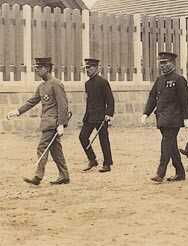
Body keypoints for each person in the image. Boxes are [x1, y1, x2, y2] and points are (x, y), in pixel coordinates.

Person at [7, 57, 71, 185]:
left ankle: (38, 176)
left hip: (53, 123)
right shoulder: (42, 86)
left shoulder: (56, 84)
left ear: (47, 68)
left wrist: (61, 124)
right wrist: (17, 111)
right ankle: (64, 175)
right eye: (36, 68)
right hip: (47, 122)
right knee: (56, 150)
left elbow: (63, 105)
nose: (37, 70)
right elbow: (32, 101)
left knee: (42, 147)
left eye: (39, 68)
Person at [141, 51, 188, 183]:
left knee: (166, 145)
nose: (162, 66)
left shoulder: (179, 80)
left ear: (173, 63)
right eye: (161, 63)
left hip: (174, 119)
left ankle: (160, 173)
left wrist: (187, 118)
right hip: (162, 118)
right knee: (171, 146)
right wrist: (146, 113)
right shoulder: (160, 80)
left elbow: (185, 100)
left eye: (165, 63)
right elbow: (152, 97)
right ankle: (180, 172)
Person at [79, 58, 115, 173]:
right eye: (86, 68)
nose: (87, 70)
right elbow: (89, 101)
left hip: (101, 117)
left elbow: (110, 99)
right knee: (83, 137)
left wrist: (109, 114)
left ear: (96, 68)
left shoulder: (103, 82)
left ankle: (107, 164)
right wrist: (86, 115)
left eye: (89, 68)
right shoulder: (87, 84)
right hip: (89, 117)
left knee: (103, 140)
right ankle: (92, 159)